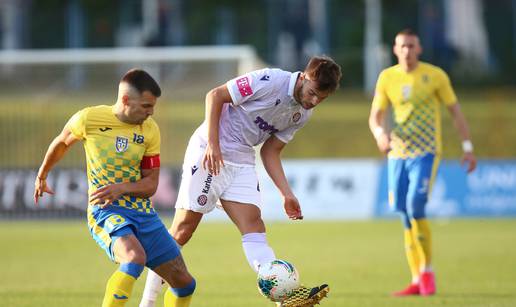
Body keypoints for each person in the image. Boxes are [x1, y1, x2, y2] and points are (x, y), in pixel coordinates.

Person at [139, 56, 342, 307]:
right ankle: (146, 303)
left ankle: (286, 299)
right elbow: (215, 95)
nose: (313, 101)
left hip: (243, 158)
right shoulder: (269, 80)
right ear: (303, 76)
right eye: (312, 93)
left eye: (321, 99)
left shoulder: (302, 114)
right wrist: (213, 144)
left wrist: (286, 193)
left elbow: (270, 151)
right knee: (183, 230)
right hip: (209, 150)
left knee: (254, 226)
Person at [34, 69, 196, 307]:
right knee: (134, 259)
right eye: (146, 106)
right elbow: (61, 142)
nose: (151, 112)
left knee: (184, 284)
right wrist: (42, 174)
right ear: (126, 100)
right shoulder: (88, 119)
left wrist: (121, 188)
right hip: (105, 211)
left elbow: (151, 183)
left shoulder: (150, 129)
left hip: (142, 214)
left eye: (153, 106)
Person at [368, 29, 477, 297]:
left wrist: (467, 147)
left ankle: (427, 272)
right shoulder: (387, 77)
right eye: (402, 46)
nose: (406, 50)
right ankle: (416, 278)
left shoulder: (435, 76)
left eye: (411, 46)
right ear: (395, 50)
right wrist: (381, 135)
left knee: (416, 206)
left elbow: (455, 112)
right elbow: (376, 117)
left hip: (426, 152)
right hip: (397, 154)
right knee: (403, 213)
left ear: (419, 49)